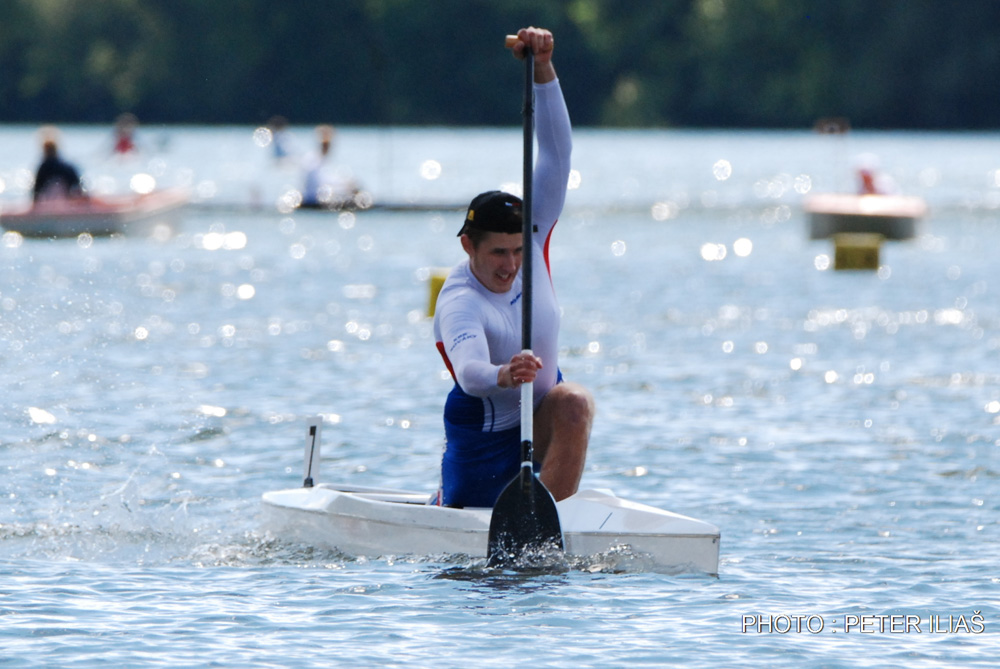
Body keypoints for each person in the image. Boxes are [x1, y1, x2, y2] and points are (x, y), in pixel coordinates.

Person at [432, 27, 594, 508]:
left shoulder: (535, 236)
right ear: (468, 246)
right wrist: (505, 374)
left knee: (573, 402)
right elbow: (470, 373)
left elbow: (558, 156)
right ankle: (445, 501)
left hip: (539, 419)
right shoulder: (460, 301)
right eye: (498, 253)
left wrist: (542, 67)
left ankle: (551, 529)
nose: (511, 265)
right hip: (483, 434)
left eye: (518, 251)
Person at [300, 124, 359, 208]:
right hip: (314, 201)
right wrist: (347, 186)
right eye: (326, 144)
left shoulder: (316, 159)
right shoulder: (312, 161)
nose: (328, 147)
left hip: (317, 199)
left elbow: (327, 180)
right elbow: (319, 184)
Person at [32, 127, 86, 203]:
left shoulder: (43, 168)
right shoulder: (68, 167)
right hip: (68, 204)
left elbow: (36, 194)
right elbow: (78, 189)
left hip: (49, 206)